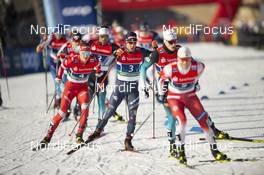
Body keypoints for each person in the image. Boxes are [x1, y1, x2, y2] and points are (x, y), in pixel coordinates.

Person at [141, 29, 229, 158]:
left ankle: (214, 130)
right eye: (170, 42)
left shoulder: (180, 50)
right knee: (172, 118)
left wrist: (196, 82)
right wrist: (145, 85)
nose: (173, 44)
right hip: (166, 90)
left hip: (184, 86)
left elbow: (192, 66)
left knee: (200, 111)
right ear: (165, 41)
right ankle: (172, 147)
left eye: (175, 41)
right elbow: (143, 67)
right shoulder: (157, 54)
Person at [158, 46, 229, 164]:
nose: (184, 62)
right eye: (182, 60)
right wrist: (161, 95)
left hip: (190, 96)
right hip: (174, 97)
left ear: (191, 59)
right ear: (178, 59)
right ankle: (181, 153)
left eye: (187, 59)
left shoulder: (198, 66)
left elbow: (198, 75)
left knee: (204, 121)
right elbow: (160, 79)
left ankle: (215, 151)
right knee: (182, 121)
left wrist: (195, 83)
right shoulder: (170, 69)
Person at [88, 32, 151, 151]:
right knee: (110, 111)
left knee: (132, 116)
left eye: (134, 42)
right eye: (129, 42)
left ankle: (128, 140)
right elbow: (105, 64)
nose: (132, 45)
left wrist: (156, 49)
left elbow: (154, 56)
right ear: (125, 42)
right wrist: (113, 54)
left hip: (133, 89)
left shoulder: (141, 51)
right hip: (120, 88)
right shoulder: (120, 51)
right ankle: (98, 130)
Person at [37, 44, 101, 148]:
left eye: (88, 53)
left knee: (85, 109)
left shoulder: (93, 60)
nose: (85, 56)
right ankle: (47, 137)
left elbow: (98, 64)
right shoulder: (73, 60)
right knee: (62, 113)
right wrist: (58, 77)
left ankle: (79, 136)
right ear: (79, 53)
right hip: (70, 89)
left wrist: (98, 71)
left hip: (82, 89)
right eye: (83, 53)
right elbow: (62, 66)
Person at [87, 26, 124, 121]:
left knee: (102, 98)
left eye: (106, 37)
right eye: (102, 36)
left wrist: (120, 53)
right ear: (99, 36)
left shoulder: (113, 47)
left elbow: (123, 53)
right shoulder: (91, 44)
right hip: (91, 75)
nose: (104, 39)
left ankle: (101, 121)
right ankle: (79, 111)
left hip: (103, 76)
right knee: (88, 99)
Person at [36, 29, 68, 109]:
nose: (59, 35)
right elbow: (41, 48)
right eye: (57, 34)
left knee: (63, 82)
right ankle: (58, 100)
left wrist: (60, 57)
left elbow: (66, 52)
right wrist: (41, 45)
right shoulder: (51, 38)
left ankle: (64, 101)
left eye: (60, 34)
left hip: (62, 63)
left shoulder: (64, 40)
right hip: (53, 64)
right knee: (56, 82)